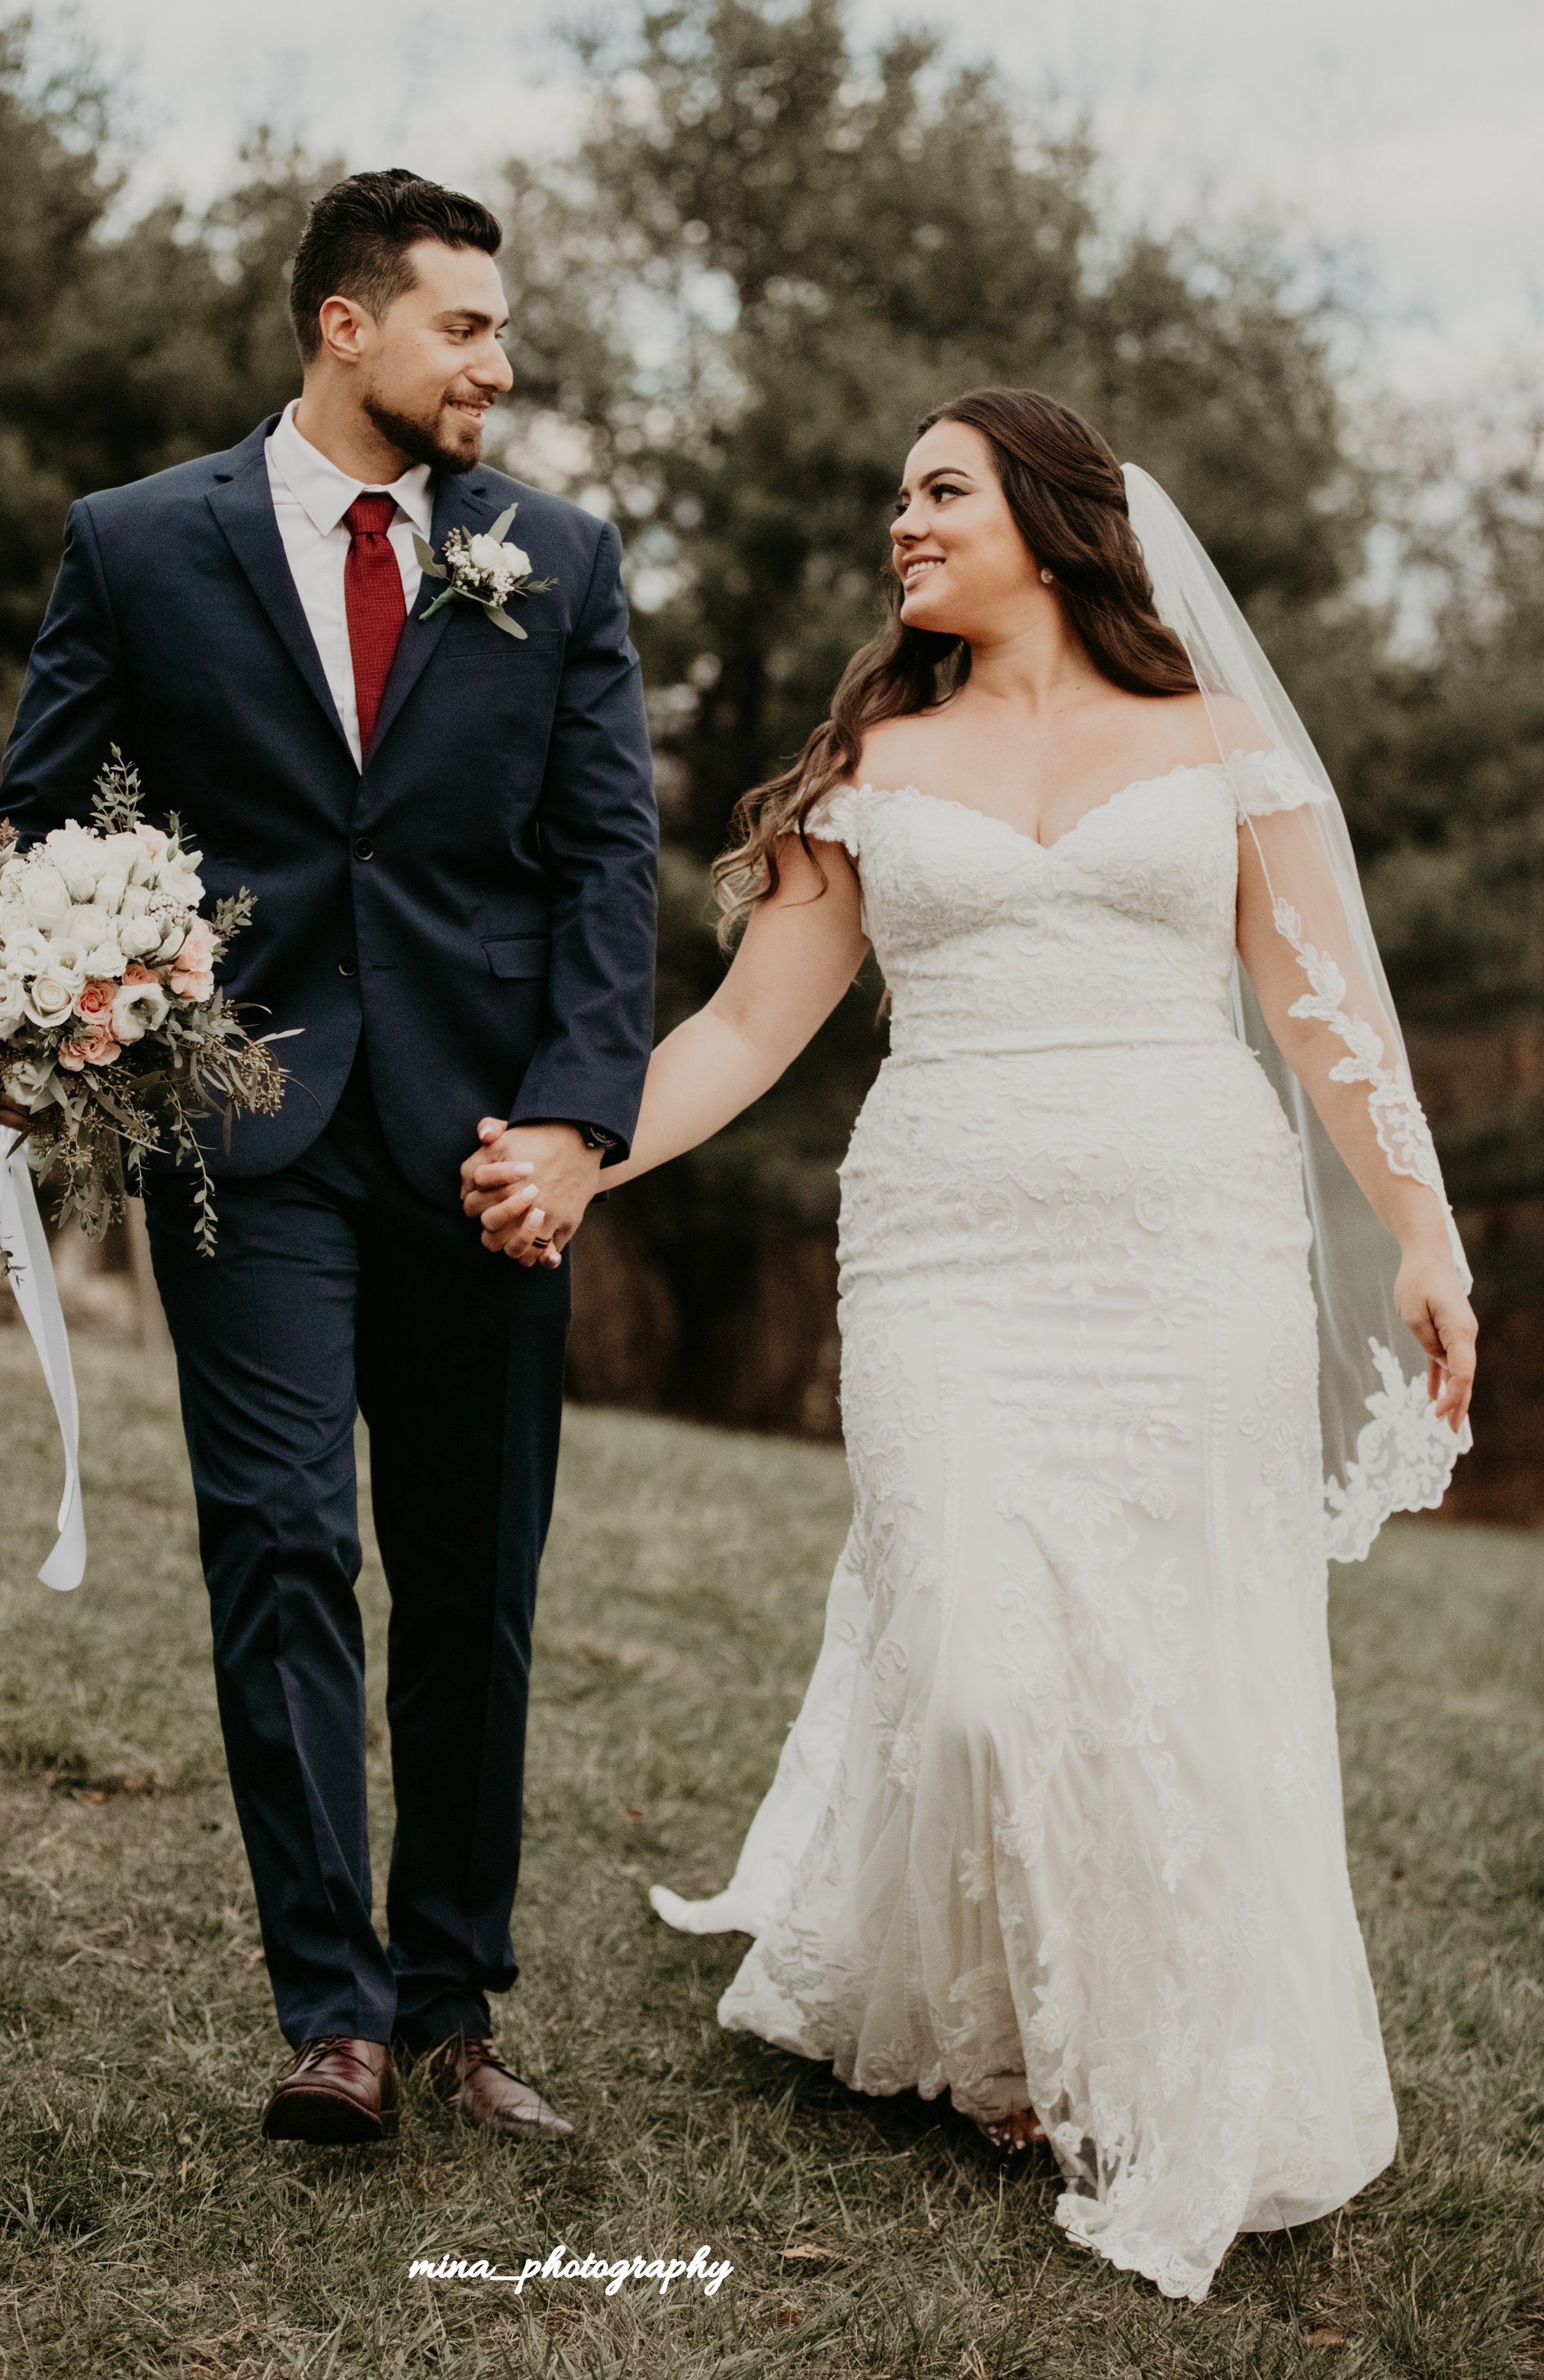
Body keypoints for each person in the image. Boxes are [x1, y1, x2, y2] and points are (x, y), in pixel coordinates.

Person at [463, 387, 1475, 2297]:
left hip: (1191, 1244)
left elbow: (1328, 1017)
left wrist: (1420, 1236)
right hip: (946, 1248)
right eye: (896, 497)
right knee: (978, 1666)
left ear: (1053, 517)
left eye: (940, 490)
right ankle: (1003, 2005)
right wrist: (590, 1148)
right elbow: (751, 1031)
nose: (902, 524)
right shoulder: (870, 759)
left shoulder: (1216, 741)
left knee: (1169, 1648)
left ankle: (1080, 2044)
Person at [0, 170, 657, 2145]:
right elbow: (42, 821)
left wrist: (572, 1114)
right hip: (247, 1130)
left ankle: (453, 1998)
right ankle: (332, 2014)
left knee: (473, 1571)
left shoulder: (561, 561)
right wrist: (61, 1008)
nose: (498, 365)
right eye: (464, 326)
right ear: (342, 326)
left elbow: (605, 865)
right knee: (278, 1540)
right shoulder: (136, 543)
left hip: (484, 1143)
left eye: (499, 329)